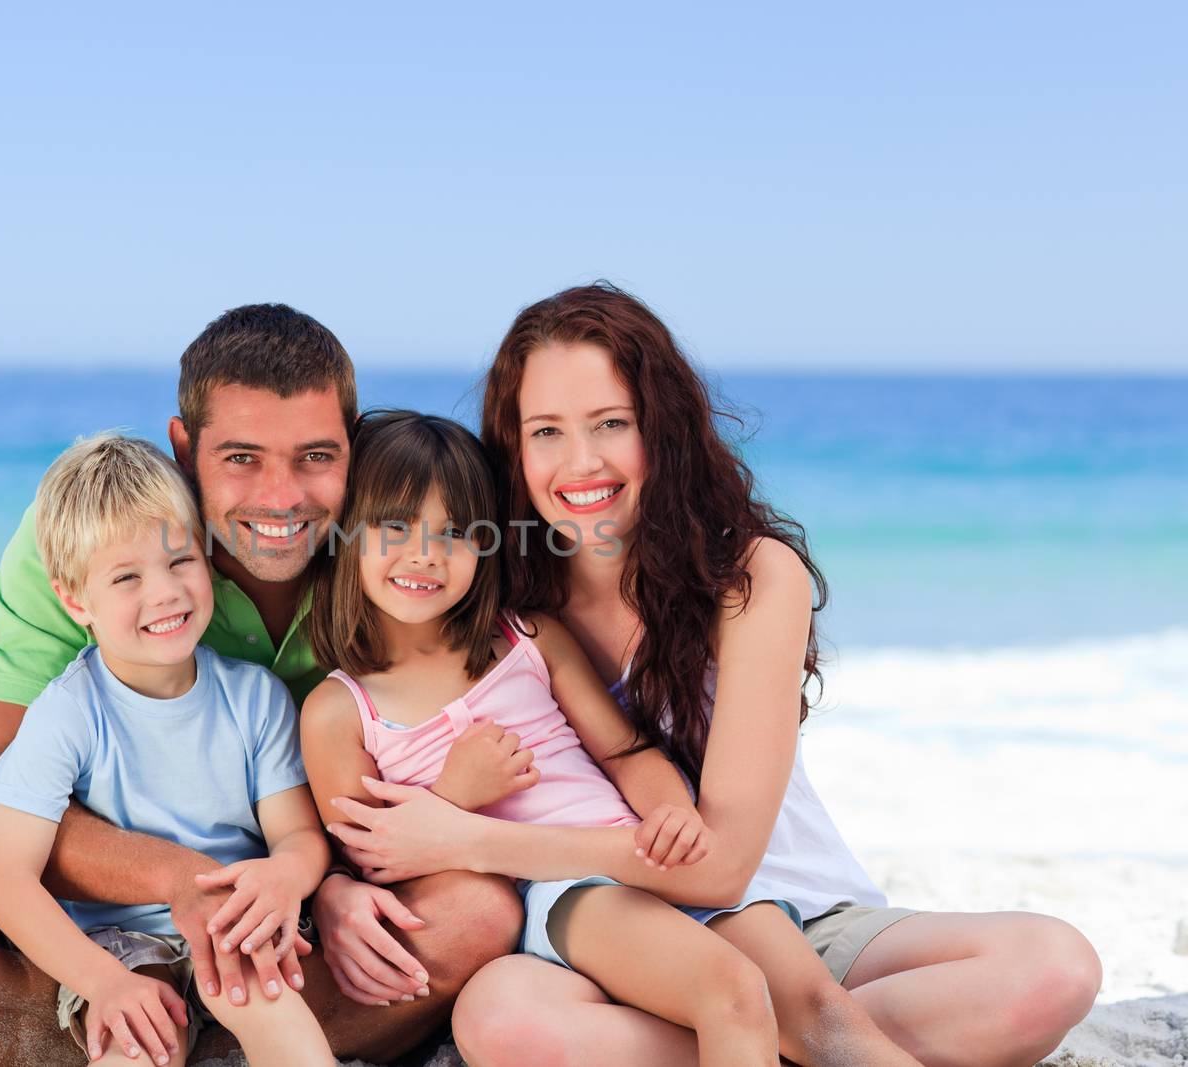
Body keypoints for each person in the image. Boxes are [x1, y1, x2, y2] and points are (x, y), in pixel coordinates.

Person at [327, 284, 1104, 1067]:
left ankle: (779, 1039)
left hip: (787, 909)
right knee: (504, 1020)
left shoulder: (751, 576)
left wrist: (470, 836)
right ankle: (773, 1043)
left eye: (612, 424)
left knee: (1052, 969)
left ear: (660, 428)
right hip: (614, 931)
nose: (581, 462)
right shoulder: (507, 602)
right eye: (547, 431)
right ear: (512, 447)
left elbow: (723, 863)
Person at [0, 305, 522, 1067]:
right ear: (185, 448)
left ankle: (215, 1041)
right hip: (105, 935)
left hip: (281, 929)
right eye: (243, 458)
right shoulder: (92, 539)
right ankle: (150, 1028)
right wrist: (177, 881)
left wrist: (317, 886)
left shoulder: (399, 550)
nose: (282, 498)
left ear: (351, 446)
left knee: (475, 914)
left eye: (315, 456)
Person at [309, 410, 931, 1067]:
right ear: (346, 535)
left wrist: (671, 812)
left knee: (821, 1012)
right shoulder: (340, 712)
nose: (425, 555)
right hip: (568, 892)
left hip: (640, 854)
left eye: (455, 532)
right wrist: (454, 792)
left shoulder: (527, 638)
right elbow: (374, 862)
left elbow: (626, 749)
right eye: (396, 527)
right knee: (733, 991)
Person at [0, 432, 333, 1067]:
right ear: (73, 599)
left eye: (180, 563)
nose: (164, 593)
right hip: (119, 940)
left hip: (237, 920)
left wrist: (284, 876)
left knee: (265, 997)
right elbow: (7, 882)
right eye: (126, 577)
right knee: (138, 1041)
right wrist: (104, 983)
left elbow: (299, 837)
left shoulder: (254, 697)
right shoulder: (66, 714)